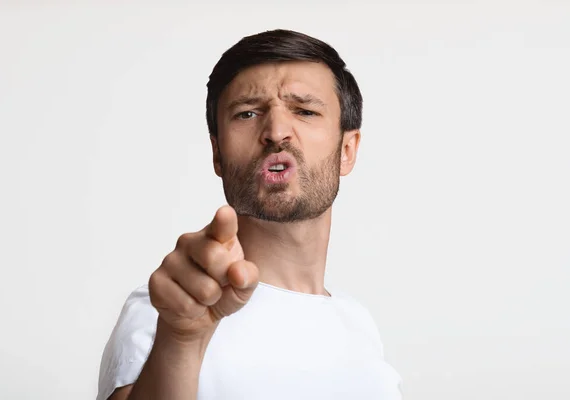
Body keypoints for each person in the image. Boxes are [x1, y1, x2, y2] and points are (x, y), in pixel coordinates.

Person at [97, 29, 403, 400]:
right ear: (217, 154)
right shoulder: (168, 312)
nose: (276, 132)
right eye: (247, 113)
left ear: (348, 150)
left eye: (305, 111)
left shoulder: (360, 327)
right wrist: (181, 343)